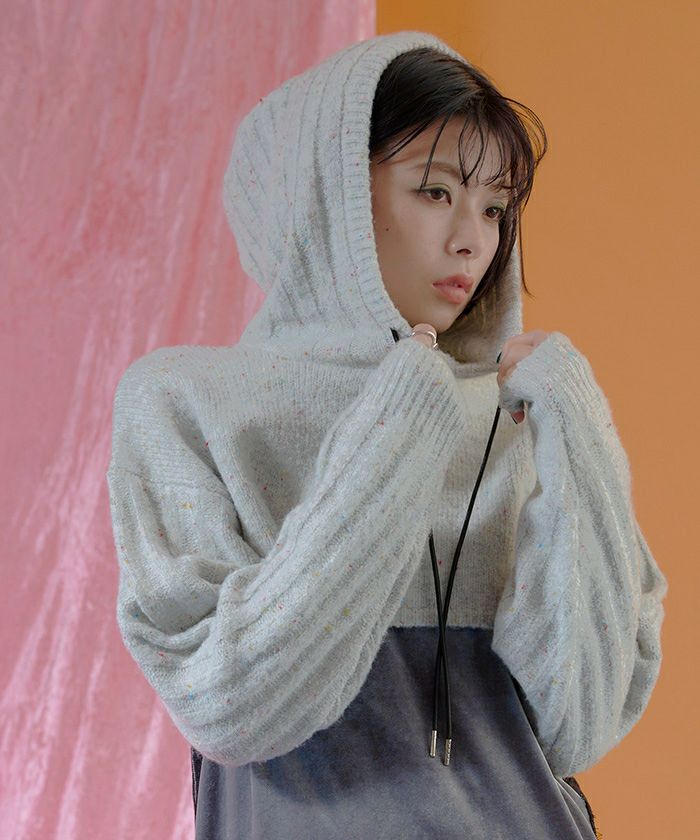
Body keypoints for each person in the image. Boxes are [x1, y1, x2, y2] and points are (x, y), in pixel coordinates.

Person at [106, 30, 668, 840]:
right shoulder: (188, 403)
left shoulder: (521, 409)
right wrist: (403, 418)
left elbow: (577, 725)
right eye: (435, 192)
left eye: (495, 208)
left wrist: (579, 435)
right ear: (327, 194)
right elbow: (233, 706)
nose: (473, 240)